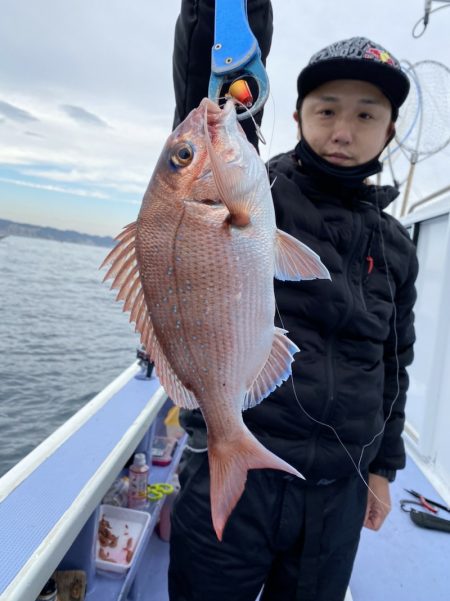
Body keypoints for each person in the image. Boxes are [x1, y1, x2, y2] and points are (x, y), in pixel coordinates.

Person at [169, 2, 419, 600]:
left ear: (388, 130)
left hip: (337, 492)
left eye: (366, 114)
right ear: (297, 115)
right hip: (236, 474)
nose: (342, 130)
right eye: (326, 110)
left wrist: (383, 469)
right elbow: (210, 96)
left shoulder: (397, 246)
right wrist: (223, 12)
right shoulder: (253, 189)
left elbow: (394, 363)